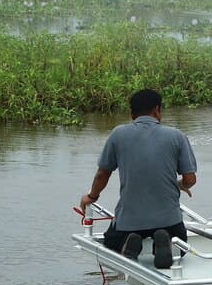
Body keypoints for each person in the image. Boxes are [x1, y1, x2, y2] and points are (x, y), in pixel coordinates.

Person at [80, 89, 198, 269]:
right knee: (180, 248)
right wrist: (179, 184)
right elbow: (190, 179)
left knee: (110, 244)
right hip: (169, 220)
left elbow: (102, 174)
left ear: (131, 113)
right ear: (157, 110)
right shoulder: (177, 136)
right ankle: (164, 238)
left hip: (129, 221)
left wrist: (91, 197)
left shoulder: (118, 135)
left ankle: (128, 242)